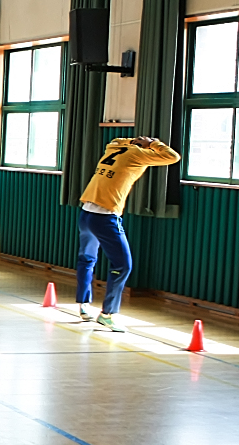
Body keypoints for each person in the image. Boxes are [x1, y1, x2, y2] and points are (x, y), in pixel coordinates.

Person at [75, 136, 180, 331]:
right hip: (105, 217)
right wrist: (153, 143)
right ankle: (108, 314)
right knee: (123, 265)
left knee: (86, 259)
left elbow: (115, 139)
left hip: (86, 212)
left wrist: (134, 141)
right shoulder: (138, 155)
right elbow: (172, 156)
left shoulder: (113, 148)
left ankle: (83, 305)